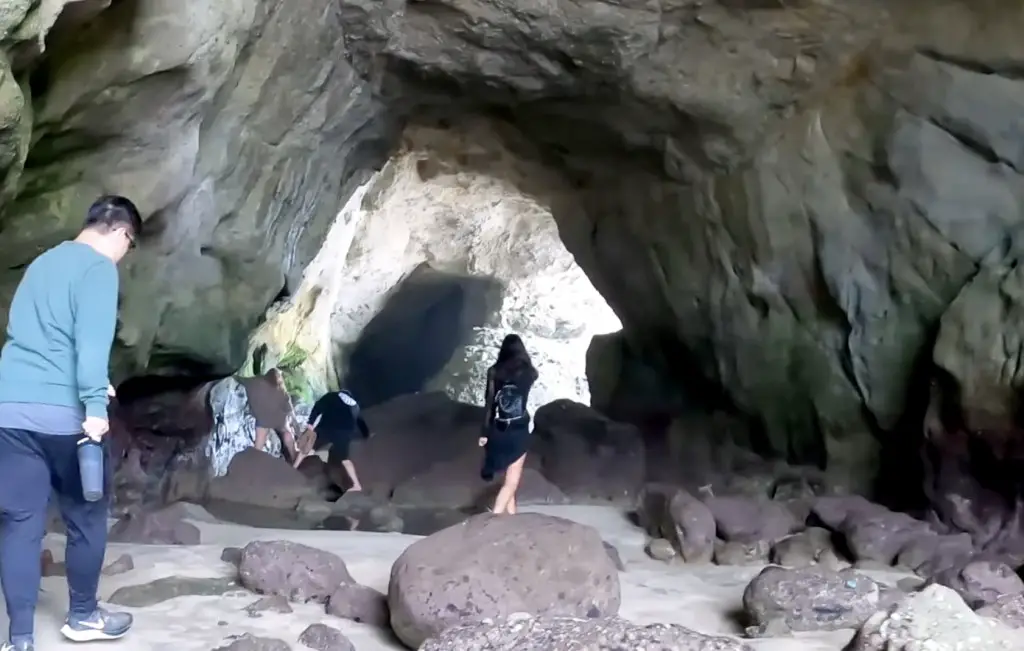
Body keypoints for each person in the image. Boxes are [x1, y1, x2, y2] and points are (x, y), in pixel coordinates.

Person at [0, 195, 141, 650]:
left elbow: (31, 336)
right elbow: (90, 344)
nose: (125, 254)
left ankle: (19, 636)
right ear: (121, 232)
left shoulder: (42, 264)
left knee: (20, 523)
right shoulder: (98, 268)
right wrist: (95, 408)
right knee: (86, 516)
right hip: (65, 418)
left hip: (9, 407)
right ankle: (82, 617)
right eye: (130, 244)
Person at [478, 333, 538, 515]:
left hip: (498, 429)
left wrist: (484, 433)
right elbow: (534, 374)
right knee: (512, 482)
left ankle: (512, 518)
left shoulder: (494, 372)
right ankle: (495, 516)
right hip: (518, 430)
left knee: (507, 481)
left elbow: (489, 405)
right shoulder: (528, 372)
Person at [298, 389, 372, 491]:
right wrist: (367, 435)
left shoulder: (332, 395)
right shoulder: (355, 405)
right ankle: (357, 485)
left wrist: (310, 423)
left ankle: (293, 468)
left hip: (327, 427)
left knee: (307, 447)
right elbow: (361, 422)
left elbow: (318, 406)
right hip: (344, 432)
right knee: (345, 459)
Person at [241, 368, 301, 463]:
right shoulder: (281, 390)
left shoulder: (255, 383)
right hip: (279, 419)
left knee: (258, 444)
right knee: (287, 433)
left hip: (263, 419)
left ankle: (252, 463)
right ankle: (293, 456)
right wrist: (298, 430)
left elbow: (243, 381)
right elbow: (289, 410)